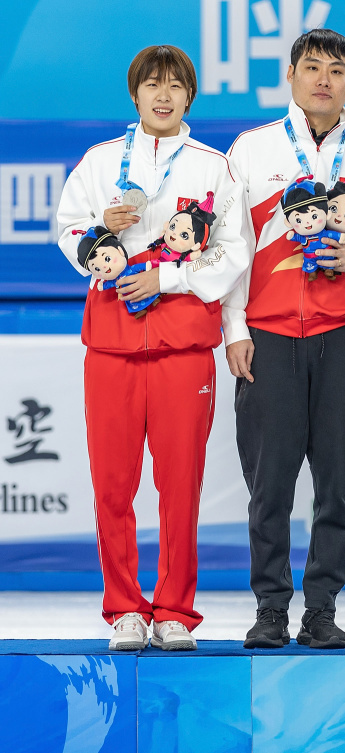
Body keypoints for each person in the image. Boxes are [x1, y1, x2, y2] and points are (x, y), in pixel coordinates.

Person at [56, 45, 249, 651]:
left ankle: (173, 609)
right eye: (151, 85)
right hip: (111, 343)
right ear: (135, 94)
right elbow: (67, 229)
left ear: (189, 95)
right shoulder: (99, 162)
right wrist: (99, 238)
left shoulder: (213, 168)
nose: (163, 95)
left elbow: (233, 252)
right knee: (112, 484)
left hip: (183, 344)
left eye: (174, 85)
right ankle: (123, 610)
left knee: (180, 484)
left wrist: (168, 278)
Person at [222, 29, 345, 649]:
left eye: (337, 70)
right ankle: (271, 608)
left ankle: (321, 608)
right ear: (291, 75)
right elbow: (230, 250)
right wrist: (235, 329)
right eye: (312, 67)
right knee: (268, 484)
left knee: (338, 483)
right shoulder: (251, 148)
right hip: (267, 339)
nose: (324, 79)